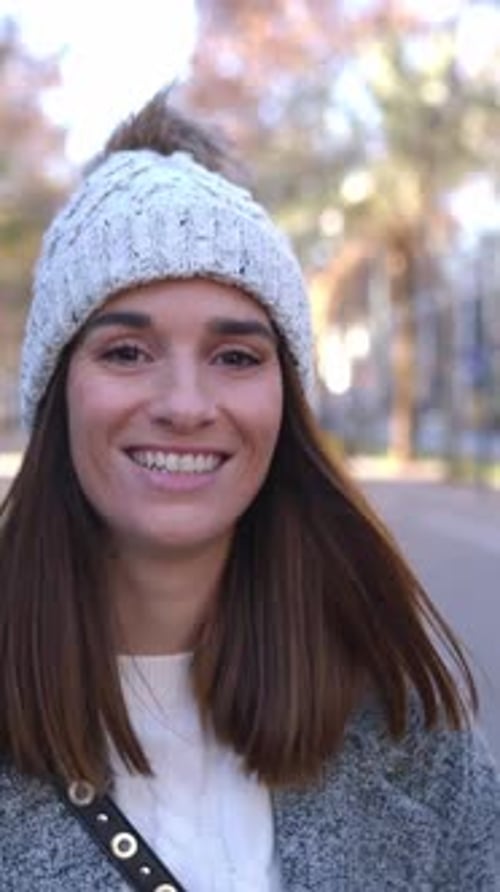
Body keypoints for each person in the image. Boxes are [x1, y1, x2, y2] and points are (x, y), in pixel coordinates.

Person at [0, 92, 498, 892]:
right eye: (127, 352)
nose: (186, 404)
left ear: (285, 403)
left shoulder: (409, 738)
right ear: (58, 392)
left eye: (235, 357)